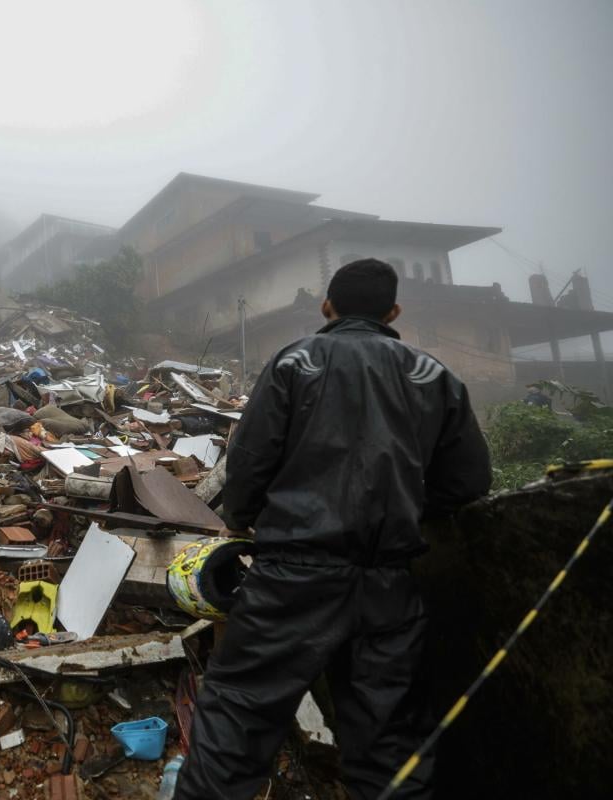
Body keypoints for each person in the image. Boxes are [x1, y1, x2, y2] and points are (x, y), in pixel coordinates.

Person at [176, 259, 491, 800]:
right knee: (390, 741)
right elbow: (469, 481)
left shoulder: (297, 362)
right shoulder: (433, 376)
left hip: (292, 580)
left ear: (327, 306)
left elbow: (248, 459)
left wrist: (242, 518)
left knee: (237, 721)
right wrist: (406, 507)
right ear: (393, 312)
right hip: (388, 586)